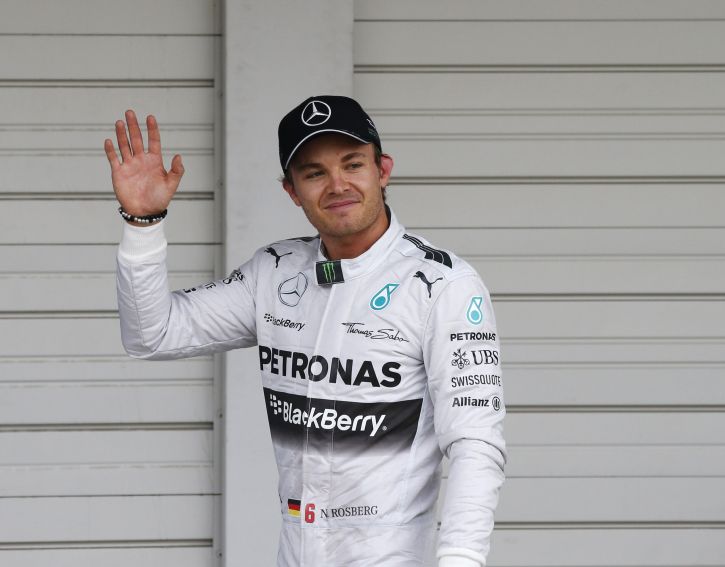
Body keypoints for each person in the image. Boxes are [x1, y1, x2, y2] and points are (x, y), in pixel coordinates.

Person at [104, 95, 506, 567]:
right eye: (314, 173)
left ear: (383, 170)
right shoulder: (273, 272)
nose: (337, 185)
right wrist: (144, 224)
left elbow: (475, 444)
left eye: (352, 164)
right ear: (291, 190)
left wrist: (461, 559)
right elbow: (152, 334)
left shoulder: (443, 285)